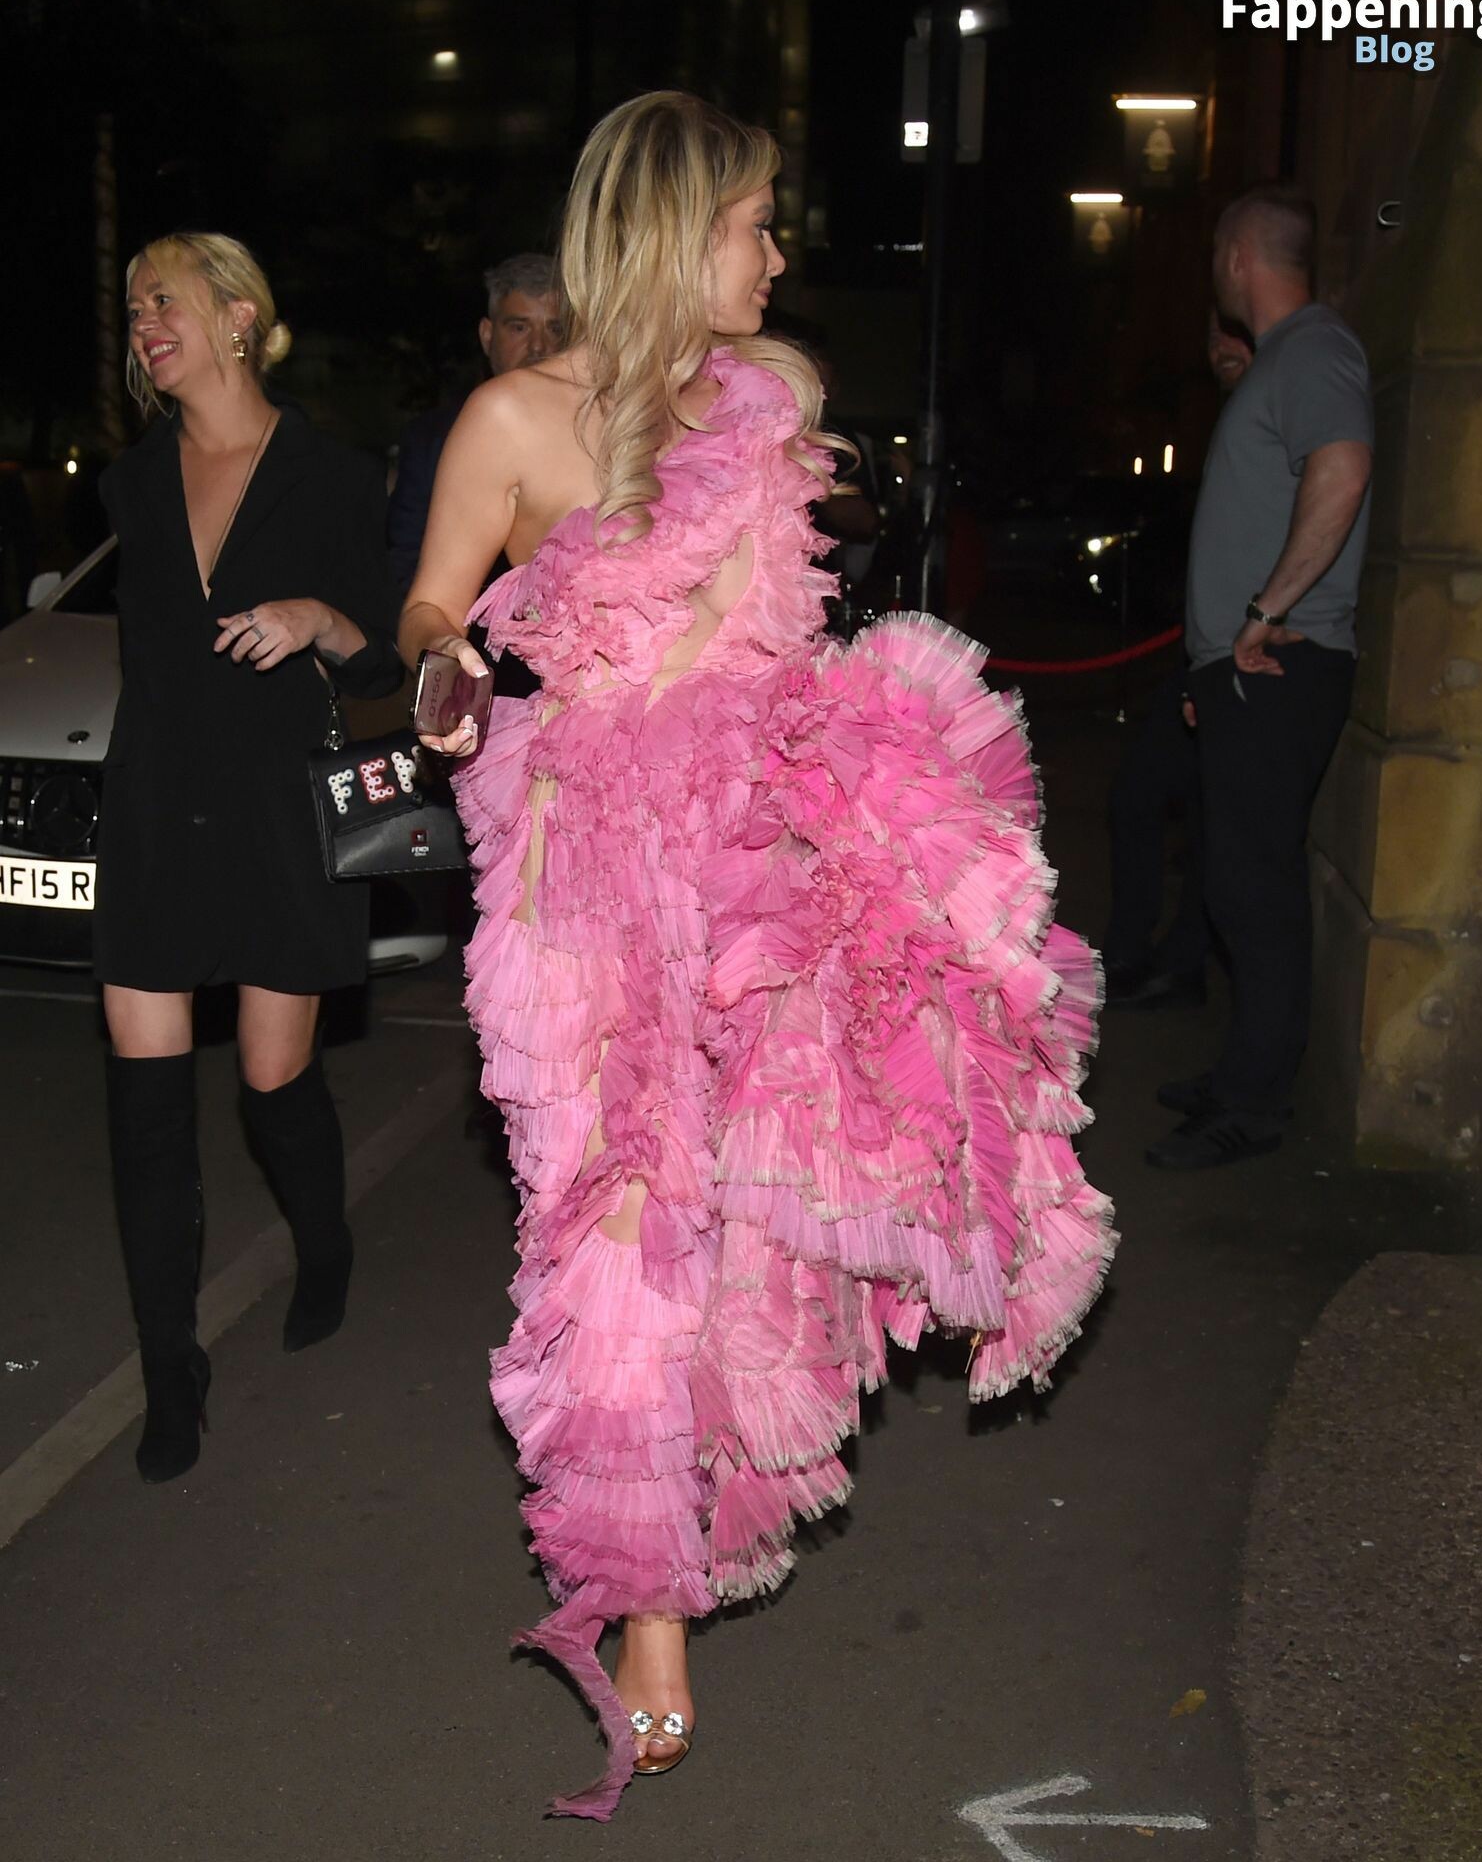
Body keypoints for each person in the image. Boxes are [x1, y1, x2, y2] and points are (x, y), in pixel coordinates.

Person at [401, 92, 1115, 1820]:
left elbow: (781, 613)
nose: (779, 253)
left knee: (752, 1212)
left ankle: (697, 1507)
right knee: (618, 1228)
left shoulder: (768, 399)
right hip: (591, 883)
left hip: (762, 853)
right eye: (752, 221)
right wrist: (442, 665)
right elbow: (433, 600)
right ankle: (649, 1605)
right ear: (671, 232)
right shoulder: (511, 418)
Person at [97, 233, 403, 1483]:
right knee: (145, 1109)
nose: (142, 324)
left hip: (277, 818)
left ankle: (324, 1246)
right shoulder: (129, 482)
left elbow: (384, 660)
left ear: (236, 315)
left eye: (161, 300)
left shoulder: (332, 477)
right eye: (132, 310)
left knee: (275, 1085)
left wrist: (317, 619)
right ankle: (171, 1370)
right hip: (155, 811)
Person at [1147, 185, 1372, 1170]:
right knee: (1236, 880)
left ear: (1239, 256)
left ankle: (1255, 1105)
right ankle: (1242, 1073)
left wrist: (1266, 610)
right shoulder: (1284, 359)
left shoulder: (1315, 348)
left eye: (1214, 255)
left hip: (1280, 662)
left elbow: (1343, 469)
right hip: (1245, 669)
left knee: (1255, 887)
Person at [1103, 310, 1252, 1009]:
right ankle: (1140, 951)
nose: (1219, 347)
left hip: (1242, 657)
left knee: (1204, 817)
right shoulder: (1236, 421)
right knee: (1153, 799)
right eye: (1214, 333)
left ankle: (1176, 959)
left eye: (1235, 332)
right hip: (1205, 653)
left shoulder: (1280, 404)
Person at [386, 253, 561, 598]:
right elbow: (405, 564)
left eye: (555, 328)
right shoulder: (434, 439)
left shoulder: (601, 432)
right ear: (487, 335)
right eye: (520, 327)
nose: (538, 346)